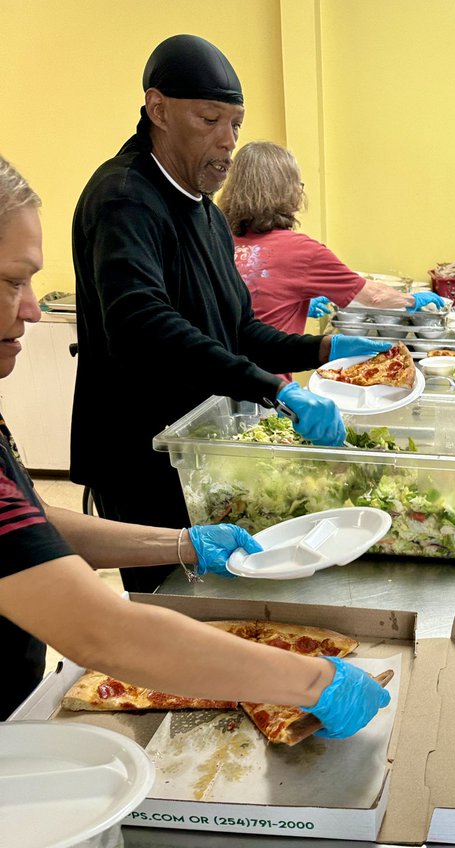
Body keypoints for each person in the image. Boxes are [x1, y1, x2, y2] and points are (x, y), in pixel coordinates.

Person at [0, 154, 388, 737]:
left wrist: (184, 544)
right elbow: (99, 631)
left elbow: (34, 527)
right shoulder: (124, 198)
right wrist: (309, 683)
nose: (32, 307)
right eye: (11, 281)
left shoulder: (204, 217)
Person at [69, 35, 388, 593]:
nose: (228, 142)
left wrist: (321, 352)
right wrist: (274, 389)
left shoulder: (207, 216)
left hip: (200, 450)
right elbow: (141, 322)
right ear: (158, 109)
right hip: (144, 454)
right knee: (167, 604)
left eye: (235, 124)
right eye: (210, 119)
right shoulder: (125, 198)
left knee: (221, 594)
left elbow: (239, 330)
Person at [218, 141, 448, 338]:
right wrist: (411, 301)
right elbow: (374, 297)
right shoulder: (301, 252)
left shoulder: (219, 240)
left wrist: (295, 306)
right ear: (287, 192)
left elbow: (250, 300)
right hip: (265, 382)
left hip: (220, 376)